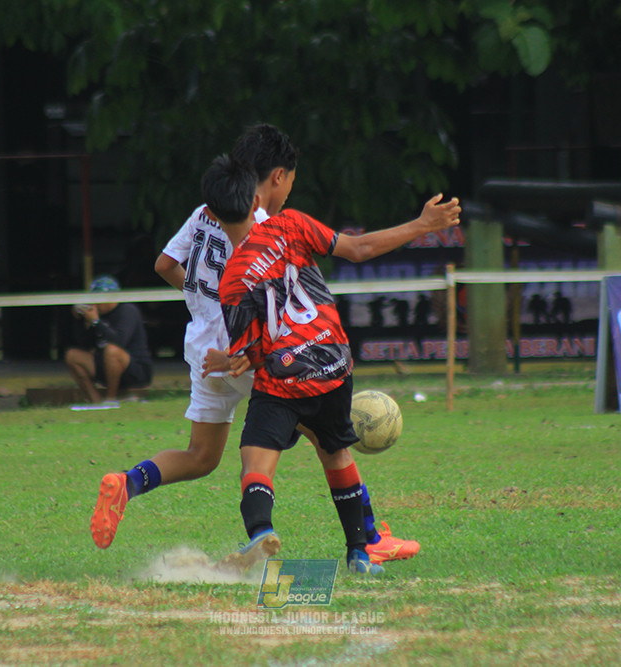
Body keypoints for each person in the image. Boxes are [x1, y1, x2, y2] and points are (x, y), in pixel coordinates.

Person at [89, 125, 420, 568]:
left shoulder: (206, 210)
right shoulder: (265, 227)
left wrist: (205, 302)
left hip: (201, 347)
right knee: (330, 440)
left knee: (201, 456)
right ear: (277, 178)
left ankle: (127, 483)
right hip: (249, 353)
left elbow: (165, 263)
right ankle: (369, 537)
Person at [203, 154, 461, 576]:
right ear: (256, 201)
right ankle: (360, 554)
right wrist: (422, 224)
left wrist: (227, 361)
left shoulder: (232, 281)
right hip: (334, 364)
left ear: (212, 215)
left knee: (255, 461)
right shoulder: (290, 224)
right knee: (337, 452)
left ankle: (260, 533)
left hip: (285, 380)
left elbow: (249, 354)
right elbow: (358, 248)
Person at [65, 275, 153, 409]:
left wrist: (96, 322)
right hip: (105, 367)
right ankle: (95, 400)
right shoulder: (96, 313)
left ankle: (110, 399)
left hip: (134, 370)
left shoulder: (127, 311)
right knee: (72, 355)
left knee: (112, 351)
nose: (96, 304)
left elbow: (119, 341)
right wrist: (80, 320)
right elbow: (86, 344)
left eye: (99, 300)